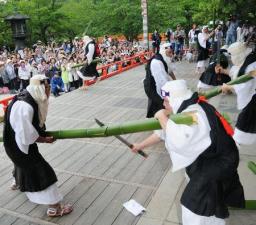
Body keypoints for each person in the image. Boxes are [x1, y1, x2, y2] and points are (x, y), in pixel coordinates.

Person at [133, 79, 245, 225]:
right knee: (207, 198)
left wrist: (161, 117)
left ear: (175, 99)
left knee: (193, 205)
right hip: (212, 158)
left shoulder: (194, 113)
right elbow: (163, 133)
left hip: (221, 162)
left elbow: (180, 139)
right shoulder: (187, 108)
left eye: (166, 101)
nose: (164, 105)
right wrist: (140, 145)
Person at [3, 75, 73, 217]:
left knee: (21, 164)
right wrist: (44, 139)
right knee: (42, 172)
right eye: (46, 88)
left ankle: (17, 182)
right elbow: (27, 136)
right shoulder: (25, 106)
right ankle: (54, 208)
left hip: (14, 143)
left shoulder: (28, 96)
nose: (48, 92)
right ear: (39, 89)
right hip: (19, 145)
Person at [221, 42, 256, 145]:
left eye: (232, 55)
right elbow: (238, 72)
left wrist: (228, 86)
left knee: (244, 123)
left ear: (238, 55)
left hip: (252, 100)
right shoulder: (248, 60)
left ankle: (236, 144)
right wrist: (223, 71)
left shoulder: (251, 66)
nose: (231, 58)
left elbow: (245, 85)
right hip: (250, 98)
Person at [143, 43, 176, 118]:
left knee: (155, 105)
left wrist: (175, 81)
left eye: (172, 52)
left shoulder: (163, 58)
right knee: (159, 105)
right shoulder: (157, 62)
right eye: (169, 53)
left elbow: (169, 71)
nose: (171, 55)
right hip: (153, 87)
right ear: (164, 51)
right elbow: (161, 83)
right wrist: (166, 97)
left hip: (156, 85)